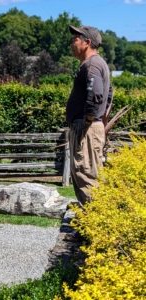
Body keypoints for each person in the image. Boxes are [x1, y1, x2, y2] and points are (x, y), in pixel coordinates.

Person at [66, 25, 113, 206]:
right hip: (90, 128)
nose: (72, 43)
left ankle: (96, 229)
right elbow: (108, 94)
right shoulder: (98, 63)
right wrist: (99, 118)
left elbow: (96, 95)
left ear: (87, 42)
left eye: (75, 39)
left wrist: (87, 121)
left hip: (86, 129)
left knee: (86, 176)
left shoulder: (92, 64)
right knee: (86, 174)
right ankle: (92, 227)